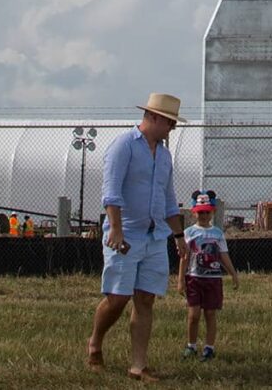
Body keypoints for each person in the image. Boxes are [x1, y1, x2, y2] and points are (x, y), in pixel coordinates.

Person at [86, 92, 179, 380]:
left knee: (146, 299)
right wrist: (115, 227)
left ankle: (138, 365)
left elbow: (169, 200)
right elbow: (111, 191)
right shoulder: (123, 146)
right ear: (153, 118)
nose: (172, 129)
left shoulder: (164, 155)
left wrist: (178, 237)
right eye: (169, 122)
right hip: (125, 234)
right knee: (117, 297)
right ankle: (95, 343)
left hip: (154, 237)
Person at [179, 189, 232, 360]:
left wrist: (233, 274)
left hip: (213, 280)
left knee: (210, 313)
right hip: (194, 279)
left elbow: (224, 255)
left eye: (207, 212)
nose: (203, 215)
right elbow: (184, 258)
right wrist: (181, 279)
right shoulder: (189, 233)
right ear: (194, 213)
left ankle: (209, 348)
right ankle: (191, 345)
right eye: (200, 212)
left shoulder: (217, 233)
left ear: (212, 212)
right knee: (193, 315)